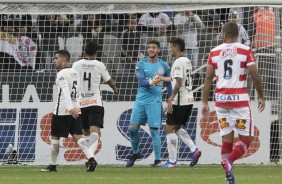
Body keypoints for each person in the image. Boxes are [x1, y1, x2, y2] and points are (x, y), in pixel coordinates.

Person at [201, 22, 265, 184]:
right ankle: (229, 161)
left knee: (226, 140)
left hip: (221, 102)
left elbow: (208, 78)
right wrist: (261, 96)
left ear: (223, 34)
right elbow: (254, 75)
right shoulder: (245, 50)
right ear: (238, 34)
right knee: (247, 139)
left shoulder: (214, 52)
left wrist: (204, 102)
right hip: (239, 101)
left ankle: (229, 179)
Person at [41, 50, 97, 172]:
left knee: (55, 136)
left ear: (64, 60)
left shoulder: (61, 74)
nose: (54, 60)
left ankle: (52, 165)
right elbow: (77, 91)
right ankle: (91, 159)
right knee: (78, 136)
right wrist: (75, 107)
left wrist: (70, 108)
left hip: (62, 110)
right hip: (76, 108)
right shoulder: (74, 72)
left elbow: (66, 91)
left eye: (56, 58)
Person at [156, 37, 201, 168]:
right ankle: (194, 150)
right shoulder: (187, 60)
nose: (170, 49)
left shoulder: (177, 62)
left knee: (169, 128)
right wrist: (161, 78)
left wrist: (171, 98)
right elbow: (175, 79)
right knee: (177, 128)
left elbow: (179, 81)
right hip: (189, 99)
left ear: (176, 48)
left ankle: (172, 161)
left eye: (171, 47)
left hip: (179, 101)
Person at [126, 40, 172, 167]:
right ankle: (136, 153)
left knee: (154, 131)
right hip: (141, 100)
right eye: (149, 47)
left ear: (158, 50)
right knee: (132, 129)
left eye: (153, 48)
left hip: (155, 101)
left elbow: (169, 83)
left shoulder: (164, 65)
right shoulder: (141, 64)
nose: (151, 49)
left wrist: (170, 99)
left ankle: (157, 160)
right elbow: (141, 82)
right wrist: (153, 82)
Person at [72, 40, 118, 165]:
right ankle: (89, 158)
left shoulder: (76, 64)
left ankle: (89, 157)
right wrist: (114, 88)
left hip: (81, 104)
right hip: (95, 103)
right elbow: (109, 80)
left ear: (84, 51)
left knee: (86, 132)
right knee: (95, 132)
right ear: (96, 52)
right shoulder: (99, 65)